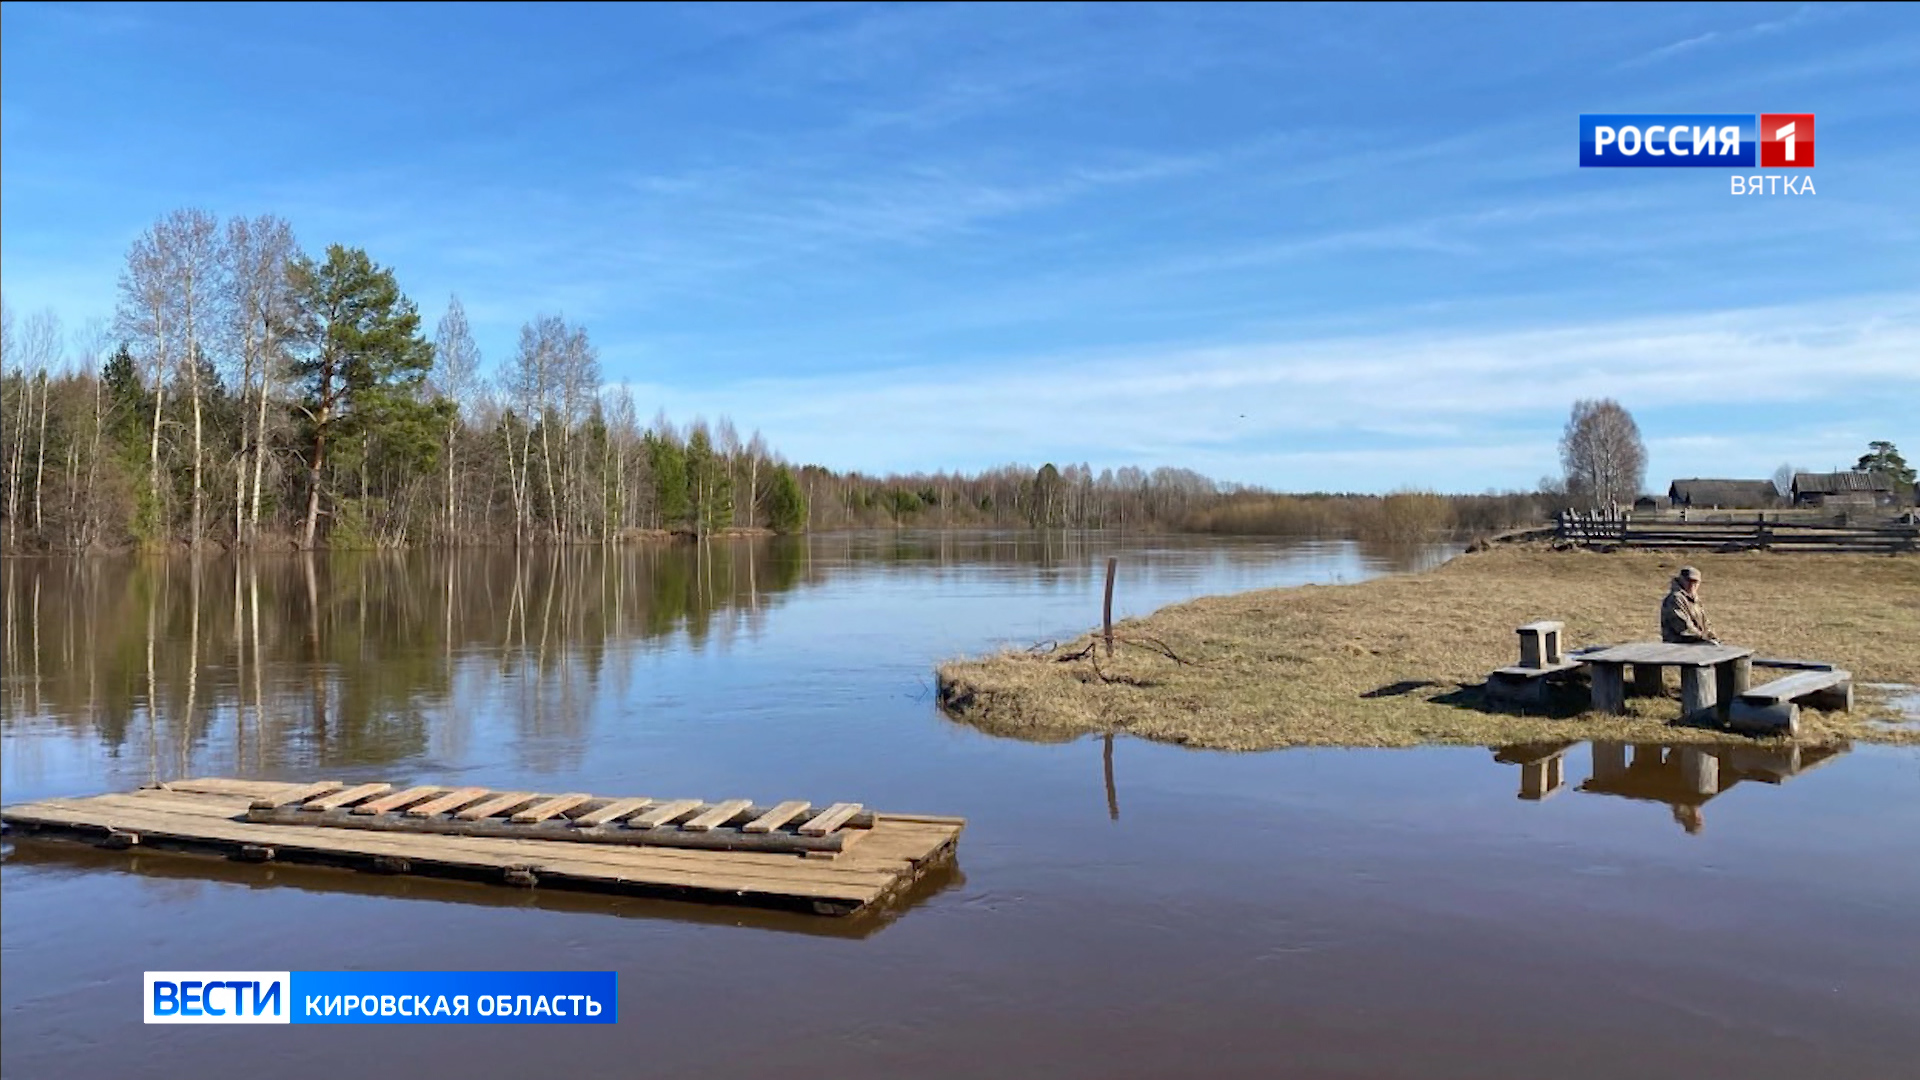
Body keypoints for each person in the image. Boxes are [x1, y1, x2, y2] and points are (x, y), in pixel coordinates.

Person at [1660, 566, 1718, 644]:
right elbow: (1683, 628)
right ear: (1681, 580)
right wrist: (1704, 639)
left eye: (1695, 582)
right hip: (1678, 645)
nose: (1692, 585)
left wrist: (1713, 638)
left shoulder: (1695, 600)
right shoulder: (1675, 599)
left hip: (1696, 644)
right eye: (1689, 581)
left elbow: (1706, 624)